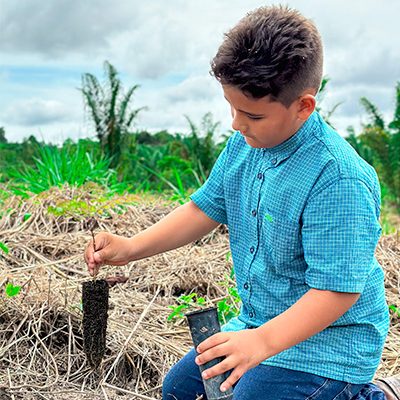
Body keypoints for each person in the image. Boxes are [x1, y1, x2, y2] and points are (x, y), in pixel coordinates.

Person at [84, 5, 392, 399]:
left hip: (328, 347)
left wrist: (261, 344)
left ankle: (366, 394)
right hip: (258, 325)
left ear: (303, 106)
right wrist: (130, 248)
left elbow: (336, 292)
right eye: (231, 107)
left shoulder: (337, 178)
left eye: (252, 115)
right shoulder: (244, 146)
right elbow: (204, 208)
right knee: (179, 390)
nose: (236, 123)